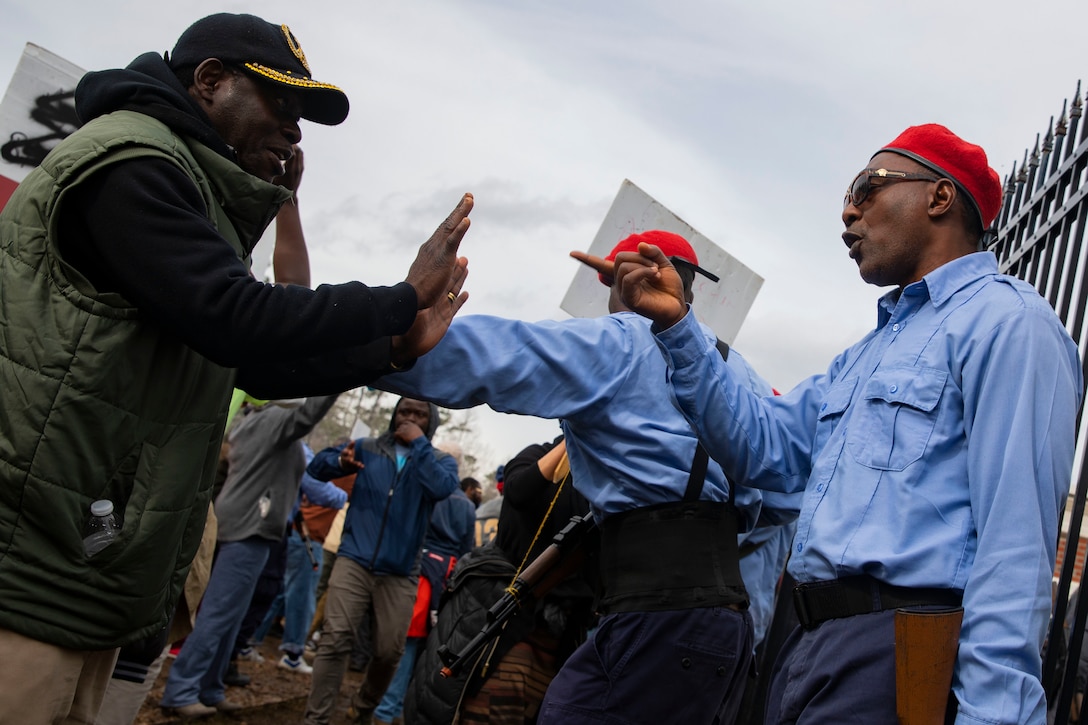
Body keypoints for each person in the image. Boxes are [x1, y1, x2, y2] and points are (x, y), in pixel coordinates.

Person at [0, 11, 472, 722]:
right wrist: (400, 298)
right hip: (31, 563)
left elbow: (247, 361)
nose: (293, 129)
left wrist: (392, 351)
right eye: (280, 103)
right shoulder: (133, 161)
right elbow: (234, 314)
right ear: (211, 82)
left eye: (301, 116)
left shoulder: (185, 183)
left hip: (80, 562)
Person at [598, 124, 1083, 724]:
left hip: (900, 657)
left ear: (938, 197)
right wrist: (678, 329)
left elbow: (1016, 550)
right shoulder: (861, 357)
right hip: (807, 650)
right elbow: (763, 446)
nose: (849, 212)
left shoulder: (1010, 325)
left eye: (868, 188)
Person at [377, 230, 775, 724]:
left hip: (655, 613)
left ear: (624, 281)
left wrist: (367, 335)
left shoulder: (621, 341)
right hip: (724, 623)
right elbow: (785, 500)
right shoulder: (750, 377)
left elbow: (493, 356)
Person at [160, 395, 340, 716]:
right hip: (250, 528)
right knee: (218, 614)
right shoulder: (277, 421)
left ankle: (210, 687)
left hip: (239, 522)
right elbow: (312, 412)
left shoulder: (253, 419)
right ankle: (181, 689)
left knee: (230, 617)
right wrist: (344, 374)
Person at [303, 397, 460, 725]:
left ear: (431, 422)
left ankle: (361, 709)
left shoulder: (439, 461)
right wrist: (340, 464)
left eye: (420, 414)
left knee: (389, 652)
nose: (411, 418)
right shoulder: (367, 447)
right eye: (405, 412)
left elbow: (442, 487)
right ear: (394, 415)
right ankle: (316, 719)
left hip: (401, 572)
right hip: (354, 559)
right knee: (336, 638)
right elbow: (317, 467)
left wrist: (419, 444)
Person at [372, 459, 477, 725]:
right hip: (447, 576)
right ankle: (396, 707)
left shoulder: (431, 495)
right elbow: (467, 548)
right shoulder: (466, 506)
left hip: (422, 572)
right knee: (426, 645)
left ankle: (388, 709)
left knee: (408, 642)